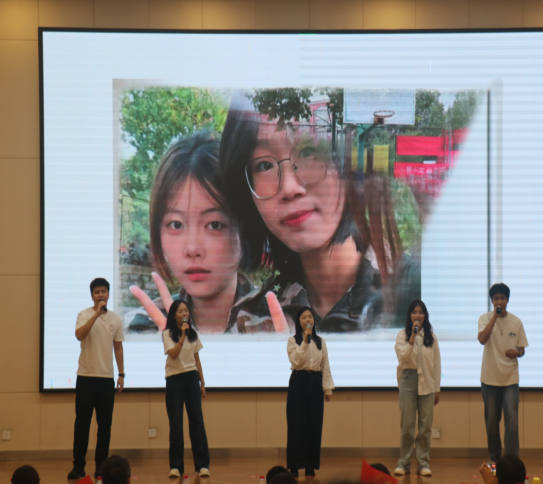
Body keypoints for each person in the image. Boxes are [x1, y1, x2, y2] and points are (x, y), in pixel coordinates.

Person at [218, 91, 420, 333]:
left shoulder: (420, 296)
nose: (289, 188)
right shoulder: (248, 324)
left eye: (308, 152)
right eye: (265, 165)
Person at [129, 131, 256, 334]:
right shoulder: (142, 330)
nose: (192, 249)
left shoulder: (285, 326)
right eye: (176, 225)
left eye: (214, 225)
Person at [68, 278, 125, 480]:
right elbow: (80, 335)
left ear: (108, 294)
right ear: (92, 295)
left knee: (105, 426)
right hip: (85, 377)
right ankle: (78, 466)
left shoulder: (115, 319)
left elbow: (118, 348)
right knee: (82, 424)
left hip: (106, 379)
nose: (101, 295)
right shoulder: (84, 315)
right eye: (97, 292)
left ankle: (101, 466)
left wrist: (121, 374)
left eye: (104, 291)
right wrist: (96, 315)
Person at [478, 283, 529, 462]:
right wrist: (494, 318)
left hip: (510, 380)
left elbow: (522, 349)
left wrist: (517, 353)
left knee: (512, 422)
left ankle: (511, 461)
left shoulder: (516, 322)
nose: (499, 301)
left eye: (502, 298)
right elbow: (482, 339)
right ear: (492, 301)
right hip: (489, 379)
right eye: (496, 298)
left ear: (507, 300)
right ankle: (495, 459)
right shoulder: (485, 319)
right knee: (492, 423)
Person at [163, 299, 210, 478]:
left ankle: (202, 465)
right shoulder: (168, 334)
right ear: (173, 315)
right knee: (176, 424)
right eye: (180, 311)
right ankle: (176, 466)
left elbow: (197, 359)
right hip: (174, 380)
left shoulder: (193, 334)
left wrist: (202, 383)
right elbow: (174, 355)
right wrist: (182, 336)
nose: (184, 314)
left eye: (186, 311)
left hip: (191, 379)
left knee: (197, 421)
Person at [393, 300, 441, 476]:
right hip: (408, 381)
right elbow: (403, 358)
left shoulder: (431, 337)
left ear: (425, 316)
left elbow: (436, 364)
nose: (417, 315)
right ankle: (404, 464)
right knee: (407, 426)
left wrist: (437, 388)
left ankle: (423, 464)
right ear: (409, 316)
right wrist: (412, 338)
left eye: (421, 312)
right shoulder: (402, 335)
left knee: (425, 427)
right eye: (414, 312)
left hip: (427, 382)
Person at [286, 305, 334, 477]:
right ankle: (294, 466)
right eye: (304, 317)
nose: (308, 320)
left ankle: (310, 465)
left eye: (310, 317)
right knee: (296, 424)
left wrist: (327, 389)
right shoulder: (293, 341)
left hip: (315, 382)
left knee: (314, 424)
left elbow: (325, 365)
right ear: (298, 321)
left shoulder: (320, 341)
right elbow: (296, 361)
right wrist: (305, 341)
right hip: (298, 381)